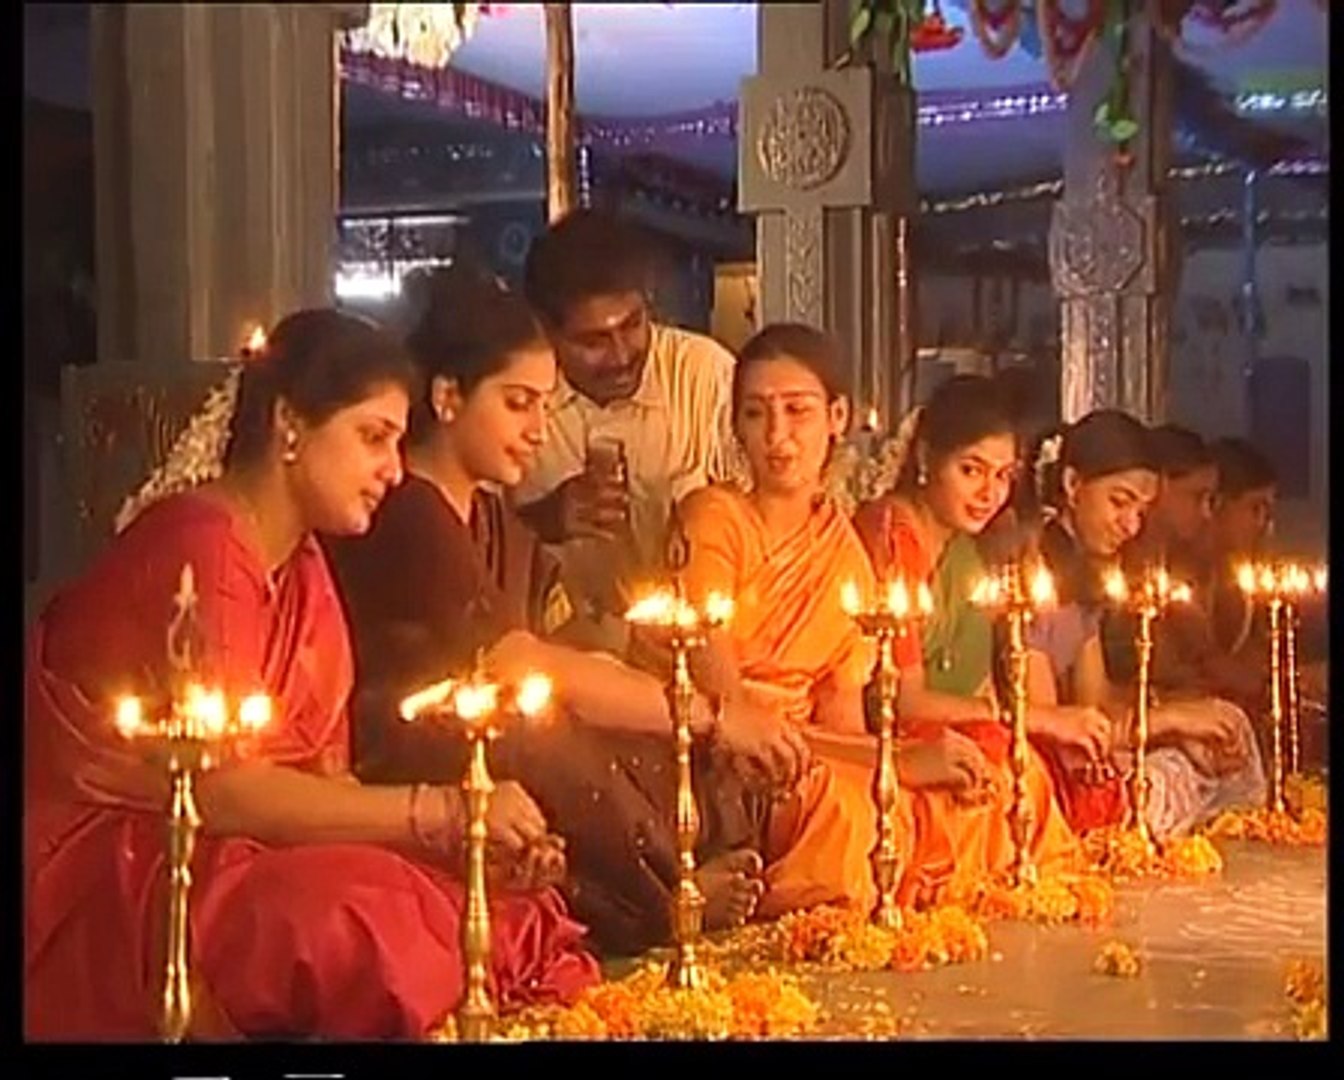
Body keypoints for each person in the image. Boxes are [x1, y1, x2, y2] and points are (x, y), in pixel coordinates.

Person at [25, 311, 598, 1041]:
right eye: (373, 438)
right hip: (132, 857)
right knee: (355, 920)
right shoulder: (201, 547)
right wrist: (443, 813)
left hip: (247, 840)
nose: (394, 471)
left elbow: (323, 778)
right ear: (289, 427)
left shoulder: (302, 563)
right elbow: (222, 791)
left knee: (495, 902)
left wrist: (461, 837)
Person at [326, 268, 783, 955]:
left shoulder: (489, 511)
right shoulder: (411, 509)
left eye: (545, 405)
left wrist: (659, 695)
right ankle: (664, 899)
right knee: (553, 740)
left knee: (642, 737)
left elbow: (556, 639)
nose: (540, 430)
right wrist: (706, 713)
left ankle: (675, 874)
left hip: (502, 719)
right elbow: (516, 660)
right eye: (518, 404)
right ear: (448, 397)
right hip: (418, 743)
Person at [679, 326, 1032, 916]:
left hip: (808, 757)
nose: (778, 436)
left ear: (836, 417)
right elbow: (726, 708)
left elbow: (841, 720)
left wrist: (901, 762)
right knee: (849, 810)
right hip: (715, 750)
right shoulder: (713, 519)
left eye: (798, 411)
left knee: (952, 790)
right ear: (736, 425)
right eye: (756, 413)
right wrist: (898, 760)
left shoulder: (843, 554)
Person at [851, 375, 1083, 873]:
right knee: (1011, 770)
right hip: (885, 743)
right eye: (971, 470)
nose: (989, 493)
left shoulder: (964, 552)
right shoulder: (891, 537)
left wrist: (1011, 721)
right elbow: (901, 701)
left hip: (957, 731)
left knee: (1035, 765)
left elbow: (978, 686)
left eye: (1002, 475)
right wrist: (1021, 718)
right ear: (926, 459)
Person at [1022, 411, 1266, 837]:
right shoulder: (1033, 571)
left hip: (1089, 747)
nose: (1131, 525)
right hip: (1048, 768)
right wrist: (1169, 720)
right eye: (1119, 502)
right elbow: (1056, 731)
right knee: (1159, 781)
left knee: (1225, 725)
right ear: (1073, 485)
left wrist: (1173, 729)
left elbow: (1096, 699)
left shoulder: (1085, 575)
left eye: (1141, 510)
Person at [513, 209, 741, 649]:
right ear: (546, 331)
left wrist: (709, 521)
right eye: (593, 341)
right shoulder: (517, 397)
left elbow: (766, 515)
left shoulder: (705, 375)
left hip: (703, 651)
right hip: (570, 664)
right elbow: (466, 543)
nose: (620, 356)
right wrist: (543, 521)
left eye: (632, 325)